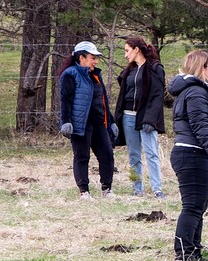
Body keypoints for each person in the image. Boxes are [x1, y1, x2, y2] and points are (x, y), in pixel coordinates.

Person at [169, 50, 208, 261]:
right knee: (192, 206)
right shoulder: (196, 92)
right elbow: (199, 125)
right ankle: (184, 254)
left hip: (194, 153)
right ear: (201, 67)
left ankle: (194, 251)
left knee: (198, 206)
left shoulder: (195, 91)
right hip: (191, 153)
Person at [59, 41, 118, 199]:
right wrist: (66, 121)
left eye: (96, 58)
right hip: (80, 124)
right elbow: (65, 100)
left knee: (107, 154)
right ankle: (84, 191)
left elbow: (103, 99)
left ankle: (107, 189)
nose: (96, 61)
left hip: (99, 122)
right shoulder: (70, 74)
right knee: (82, 156)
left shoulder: (96, 75)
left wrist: (111, 122)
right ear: (81, 58)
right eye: (93, 57)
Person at [114, 36, 166, 198]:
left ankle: (157, 189)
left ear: (136, 50)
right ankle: (137, 189)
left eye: (127, 51)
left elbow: (157, 96)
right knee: (133, 155)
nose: (125, 55)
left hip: (145, 119)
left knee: (151, 153)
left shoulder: (155, 69)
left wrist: (151, 119)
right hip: (128, 118)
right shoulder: (129, 70)